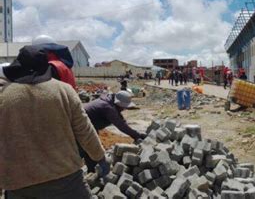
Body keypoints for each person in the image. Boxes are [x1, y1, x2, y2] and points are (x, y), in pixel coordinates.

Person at [0, 45, 107, 198]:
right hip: (65, 179)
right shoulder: (64, 91)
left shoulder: (4, 95)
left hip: (19, 184)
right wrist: (99, 157)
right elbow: (85, 130)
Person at [81, 91, 146, 173]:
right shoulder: (107, 107)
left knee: (91, 149)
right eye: (123, 107)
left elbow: (120, 119)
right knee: (89, 149)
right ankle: (92, 173)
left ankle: (92, 172)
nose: (124, 109)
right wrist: (136, 135)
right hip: (82, 127)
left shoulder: (109, 101)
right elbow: (120, 125)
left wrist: (137, 134)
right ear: (118, 103)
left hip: (89, 126)